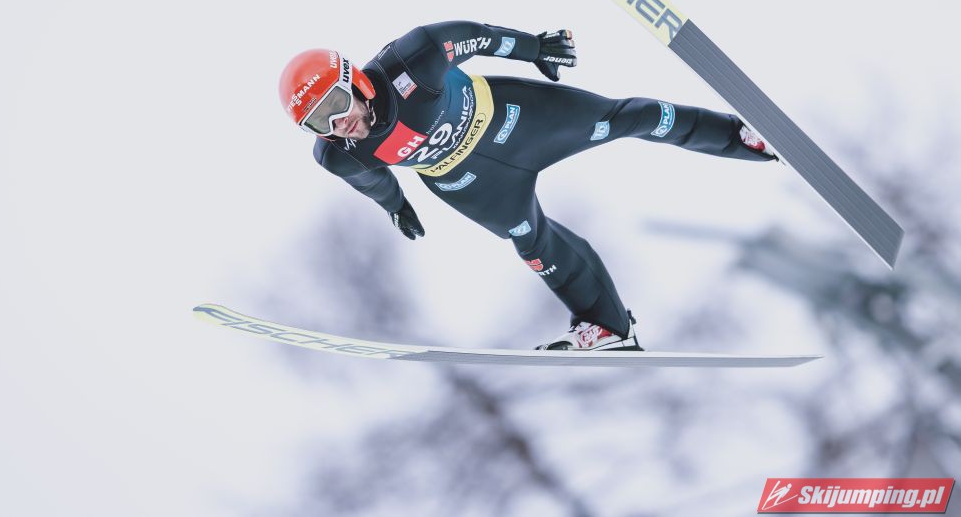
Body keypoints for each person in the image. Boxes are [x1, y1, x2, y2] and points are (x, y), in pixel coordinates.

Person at [278, 21, 776, 351]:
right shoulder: (337, 153)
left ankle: (743, 136)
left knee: (627, 118)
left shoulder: (412, 60)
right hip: (467, 181)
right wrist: (396, 206)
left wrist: (535, 48)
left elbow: (475, 37)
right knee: (532, 243)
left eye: (335, 104)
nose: (337, 123)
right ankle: (609, 327)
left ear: (354, 81)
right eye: (319, 122)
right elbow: (371, 179)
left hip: (516, 121)